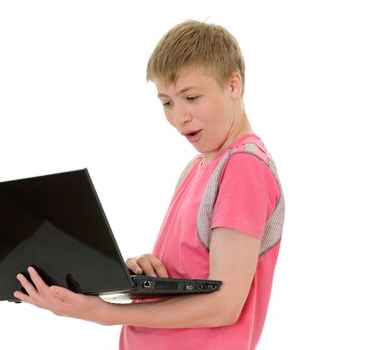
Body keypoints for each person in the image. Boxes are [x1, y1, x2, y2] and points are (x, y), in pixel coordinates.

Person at [14, 20, 285, 350]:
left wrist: (109, 313)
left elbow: (224, 304)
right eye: (167, 102)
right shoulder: (199, 167)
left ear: (233, 85)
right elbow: (197, 278)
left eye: (192, 97)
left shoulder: (244, 166)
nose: (178, 117)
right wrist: (153, 276)